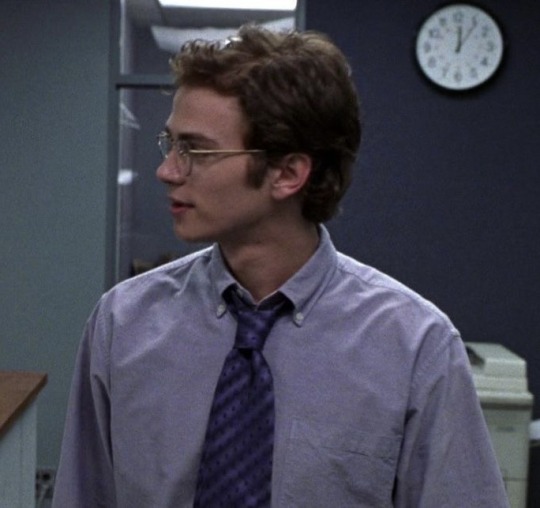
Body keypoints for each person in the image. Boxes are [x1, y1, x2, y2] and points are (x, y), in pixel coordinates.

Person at [53, 24, 509, 507]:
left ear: (288, 173)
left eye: (197, 151)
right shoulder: (123, 324)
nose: (167, 171)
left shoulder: (414, 346)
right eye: (172, 145)